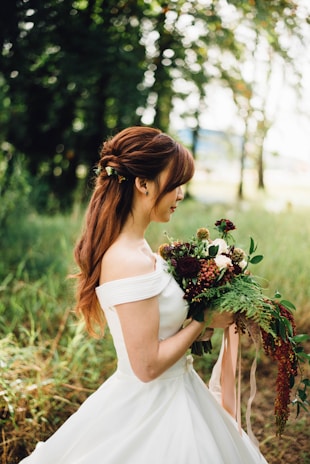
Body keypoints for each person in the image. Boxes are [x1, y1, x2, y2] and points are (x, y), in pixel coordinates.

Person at [20, 126, 268, 463]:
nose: (180, 195)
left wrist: (209, 311)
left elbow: (162, 329)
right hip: (152, 406)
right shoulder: (126, 259)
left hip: (180, 389)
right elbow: (147, 366)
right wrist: (203, 318)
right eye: (176, 183)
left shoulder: (141, 248)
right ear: (143, 183)